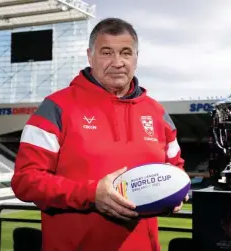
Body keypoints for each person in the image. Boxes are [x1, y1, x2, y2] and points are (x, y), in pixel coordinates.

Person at [11, 17, 187, 251]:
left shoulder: (157, 113)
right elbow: (26, 181)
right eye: (106, 53)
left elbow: (176, 169)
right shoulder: (55, 107)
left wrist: (177, 192)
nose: (117, 62)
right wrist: (91, 194)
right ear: (90, 55)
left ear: (136, 57)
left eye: (126, 53)